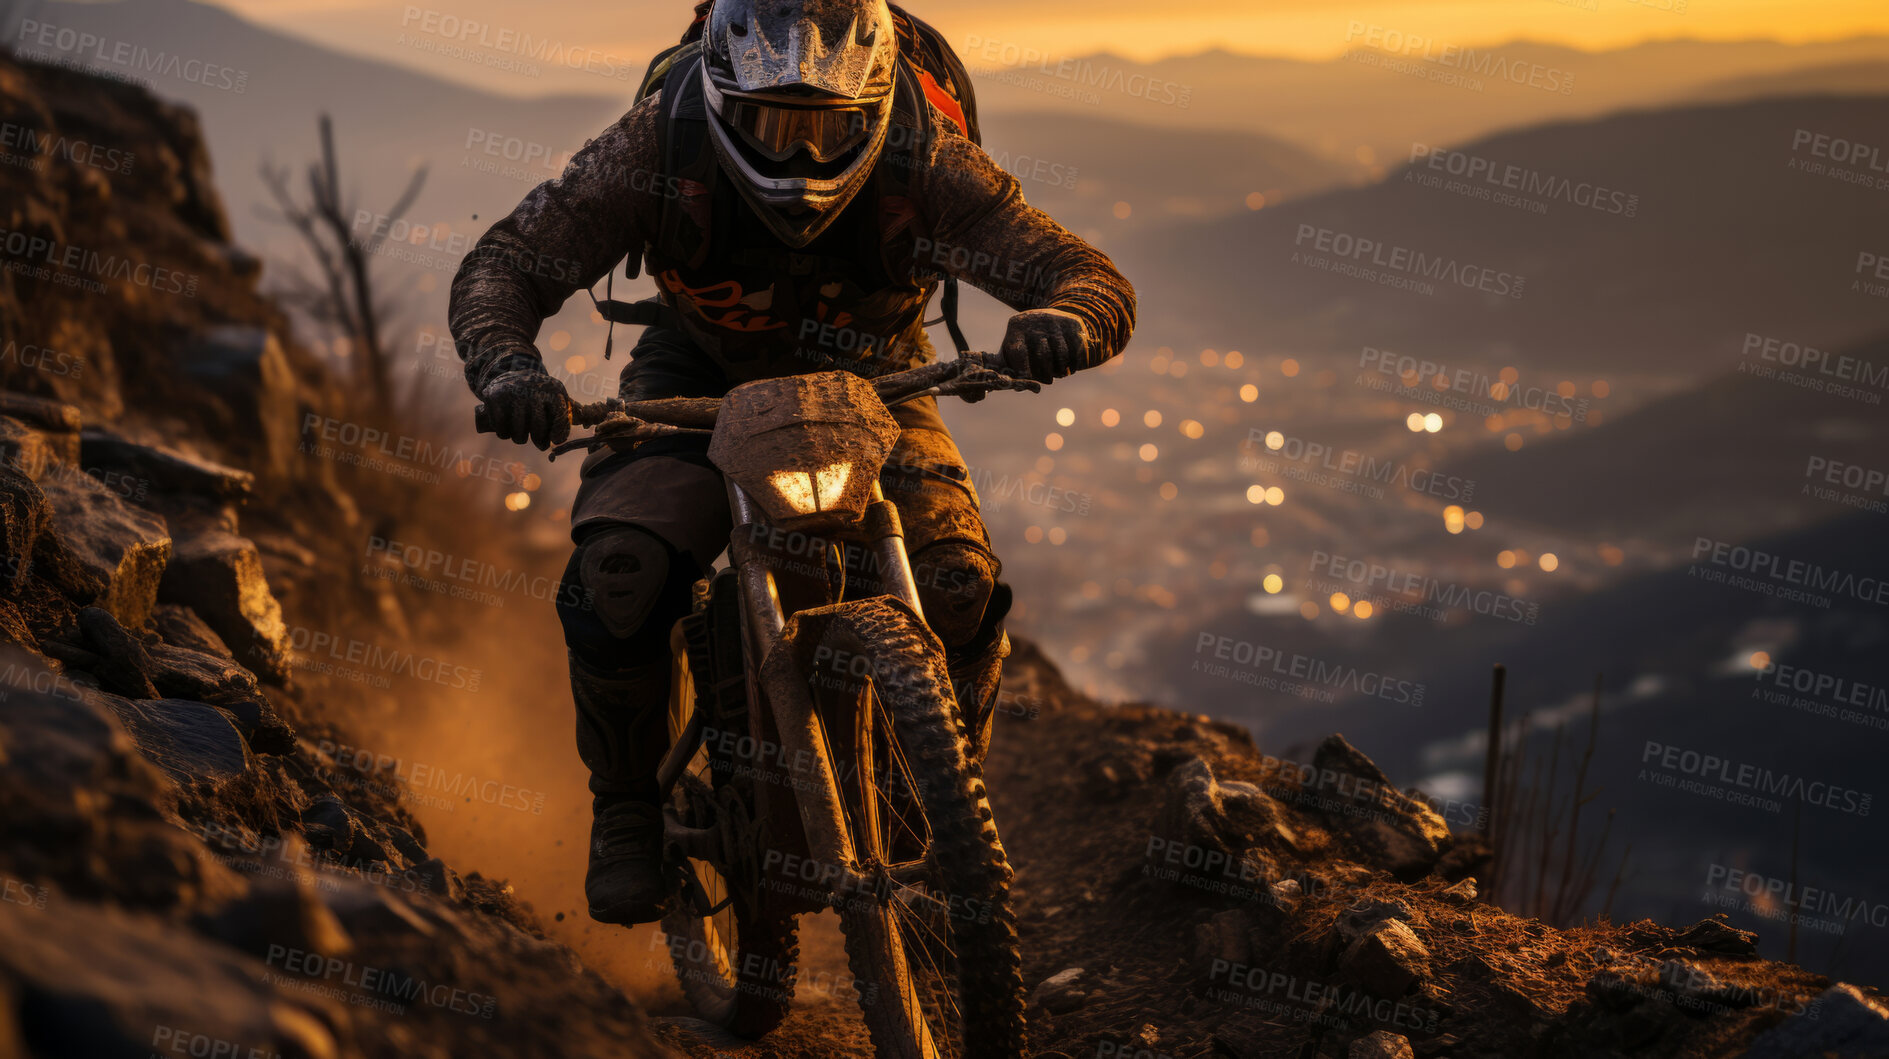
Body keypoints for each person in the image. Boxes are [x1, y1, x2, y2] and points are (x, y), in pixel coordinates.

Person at [448, 0, 1135, 926]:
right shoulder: (660, 136)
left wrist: (1068, 319)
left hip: (876, 377)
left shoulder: (922, 149)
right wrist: (509, 366)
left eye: (831, 129)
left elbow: (1080, 270)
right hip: (692, 372)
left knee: (958, 587)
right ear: (722, 102)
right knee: (620, 573)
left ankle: (937, 781)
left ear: (878, 103)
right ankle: (625, 811)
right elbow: (508, 260)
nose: (801, 157)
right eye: (772, 124)